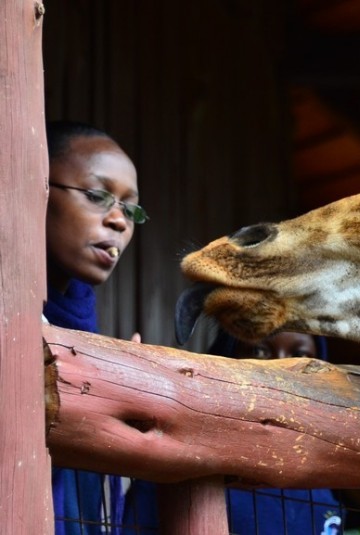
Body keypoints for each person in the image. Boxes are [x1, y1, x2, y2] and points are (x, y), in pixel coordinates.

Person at [43, 120, 155, 534]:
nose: (119, 221)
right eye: (96, 196)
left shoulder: (87, 334)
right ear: (36, 186)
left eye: (130, 208)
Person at [208, 329, 344, 534]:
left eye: (301, 356)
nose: (281, 367)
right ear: (226, 356)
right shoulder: (192, 462)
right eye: (259, 351)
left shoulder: (323, 484)